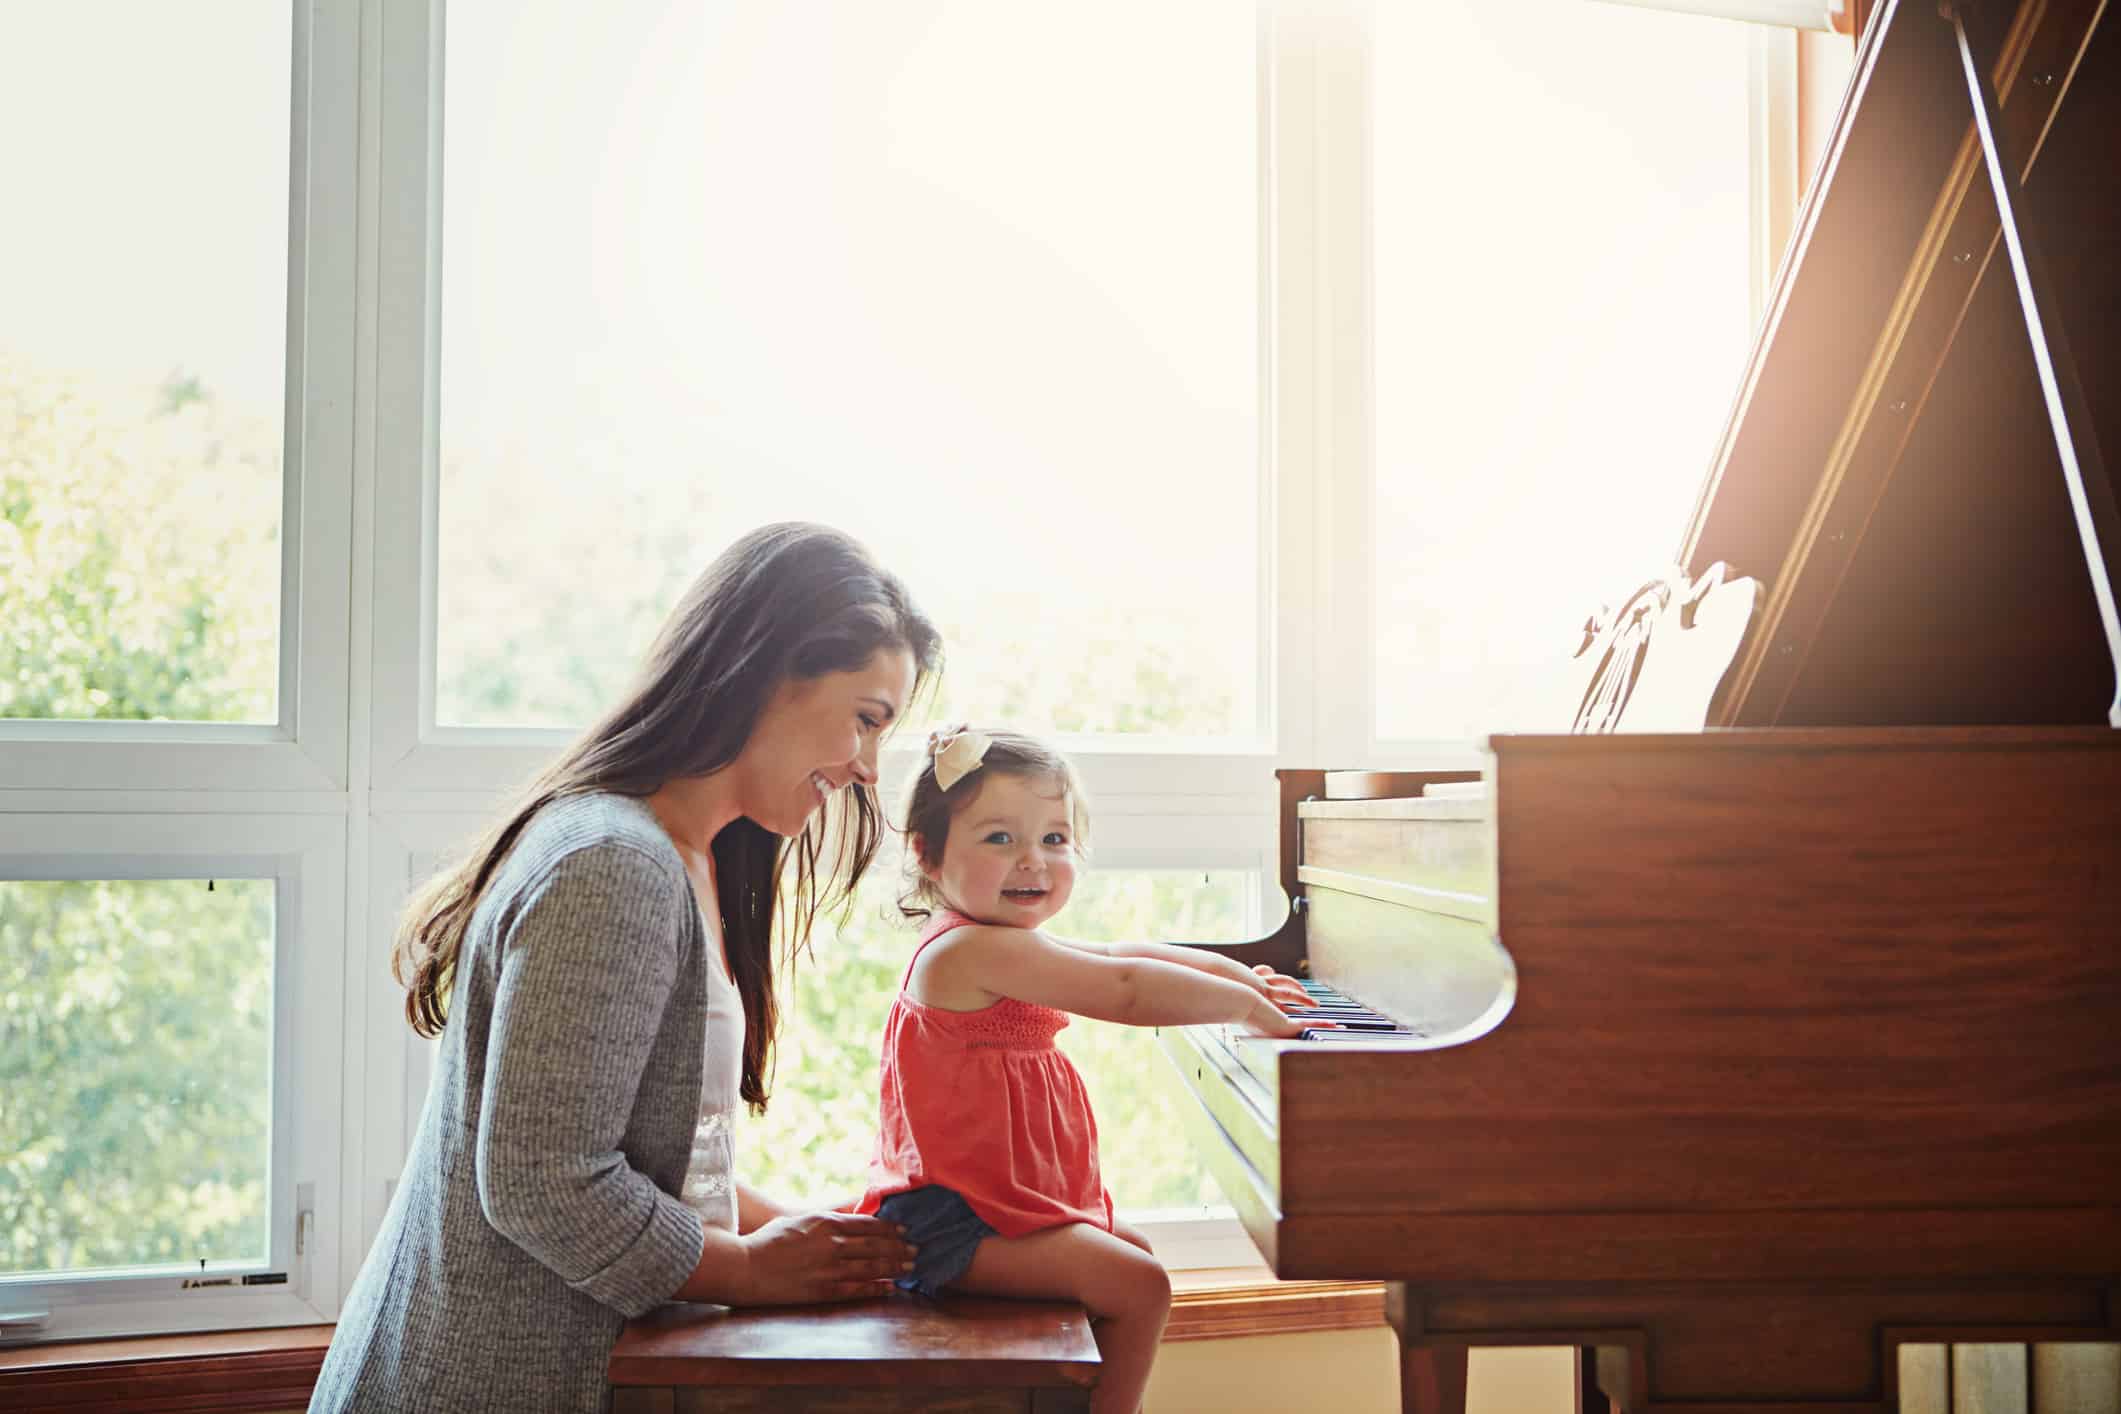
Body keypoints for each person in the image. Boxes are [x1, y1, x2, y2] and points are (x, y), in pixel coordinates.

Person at [310, 523, 941, 1414]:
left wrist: (802, 1235)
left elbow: (659, 1159)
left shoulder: (688, 861)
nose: (869, 768)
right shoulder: (611, 865)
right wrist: (754, 1270)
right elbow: (543, 1181)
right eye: (866, 719)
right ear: (768, 671)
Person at [849, 726, 1316, 1414]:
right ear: (926, 852)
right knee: (1139, 1286)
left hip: (1001, 1207)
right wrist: (1246, 1006)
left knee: (1131, 1248)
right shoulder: (967, 951)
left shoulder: (1005, 940)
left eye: (1055, 839)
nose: (1032, 861)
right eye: (999, 838)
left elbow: (1123, 951)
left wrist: (1239, 974)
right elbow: (1124, 987)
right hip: (951, 1222)